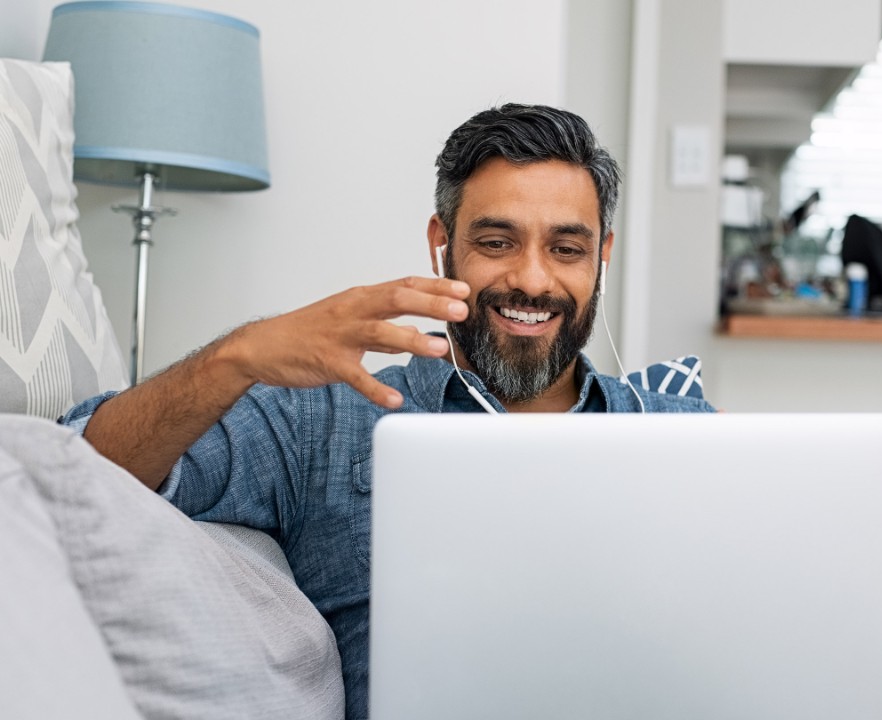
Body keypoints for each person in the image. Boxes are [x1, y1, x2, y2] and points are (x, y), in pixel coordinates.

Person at [60, 104, 716, 720]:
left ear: (602, 254)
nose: (534, 281)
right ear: (443, 242)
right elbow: (75, 472)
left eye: (567, 249)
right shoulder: (323, 419)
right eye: (497, 242)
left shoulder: (689, 437)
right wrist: (236, 356)